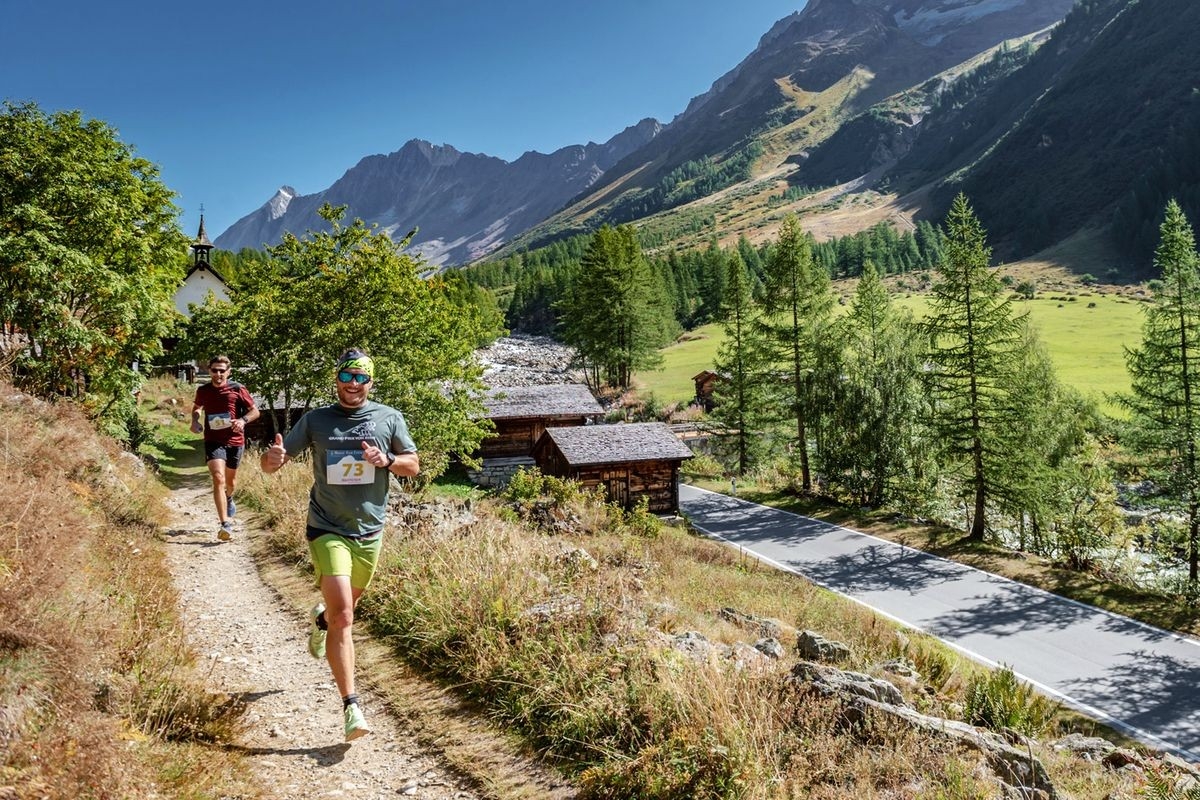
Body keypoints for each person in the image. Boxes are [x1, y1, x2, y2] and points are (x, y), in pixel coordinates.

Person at [260, 348, 419, 742]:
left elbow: (413, 465)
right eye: (347, 376)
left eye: (361, 378)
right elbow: (271, 465)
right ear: (337, 380)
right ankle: (352, 707)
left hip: (370, 531)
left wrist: (386, 461)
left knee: (339, 611)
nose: (353, 384)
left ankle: (321, 619)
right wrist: (272, 457)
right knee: (345, 616)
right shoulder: (316, 420)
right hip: (327, 527)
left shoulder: (389, 418)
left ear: (371, 382)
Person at [191, 355, 260, 541]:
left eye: (222, 370)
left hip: (235, 441)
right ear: (209, 371)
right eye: (215, 370)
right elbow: (197, 407)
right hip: (213, 440)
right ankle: (225, 523)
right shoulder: (203, 390)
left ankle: (229, 498)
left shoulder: (237, 389)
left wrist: (242, 421)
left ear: (228, 372)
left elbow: (255, 411)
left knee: (230, 483)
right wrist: (195, 420)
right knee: (218, 478)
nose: (218, 374)